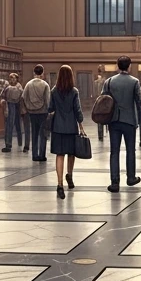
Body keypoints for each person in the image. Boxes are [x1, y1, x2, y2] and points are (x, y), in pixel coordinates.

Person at [101, 56, 141, 191]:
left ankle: (114, 182)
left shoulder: (109, 82)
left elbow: (103, 100)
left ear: (117, 66)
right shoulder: (135, 82)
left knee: (114, 151)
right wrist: (140, 120)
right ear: (129, 66)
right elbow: (139, 102)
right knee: (131, 150)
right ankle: (131, 177)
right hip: (129, 121)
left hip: (113, 121)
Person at [48, 64, 85, 199]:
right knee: (71, 153)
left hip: (57, 127)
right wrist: (81, 125)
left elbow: (50, 108)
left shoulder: (53, 91)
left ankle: (59, 185)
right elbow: (78, 110)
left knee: (59, 155)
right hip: (71, 127)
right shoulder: (74, 91)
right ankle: (69, 175)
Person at [22, 64, 50, 162]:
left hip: (32, 112)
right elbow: (47, 100)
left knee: (34, 133)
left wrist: (27, 107)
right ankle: (42, 155)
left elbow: (24, 97)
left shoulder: (28, 84)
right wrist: (49, 111)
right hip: (43, 112)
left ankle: (34, 155)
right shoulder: (45, 85)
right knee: (43, 134)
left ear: (34, 72)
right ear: (42, 73)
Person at [0, 72, 24, 153]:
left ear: (17, 79)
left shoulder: (18, 86)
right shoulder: (7, 87)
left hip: (17, 106)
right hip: (9, 106)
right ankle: (8, 144)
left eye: (14, 78)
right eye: (11, 78)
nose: (12, 80)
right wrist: (3, 101)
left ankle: (20, 143)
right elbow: (2, 96)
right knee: (9, 125)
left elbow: (19, 94)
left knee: (18, 126)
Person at [94, 65, 106, 141]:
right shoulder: (96, 81)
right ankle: (100, 134)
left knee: (105, 117)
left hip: (104, 100)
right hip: (99, 101)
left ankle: (101, 134)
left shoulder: (105, 80)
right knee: (99, 118)